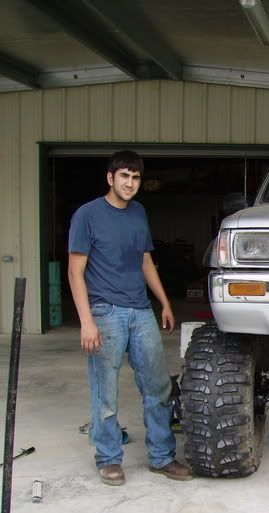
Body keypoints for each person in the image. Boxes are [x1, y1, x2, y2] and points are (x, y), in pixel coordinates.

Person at [67, 150, 193, 486]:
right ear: (110, 178)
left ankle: (162, 456)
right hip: (105, 311)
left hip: (140, 310)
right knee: (104, 390)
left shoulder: (138, 213)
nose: (130, 183)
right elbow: (75, 272)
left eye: (135, 178)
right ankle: (108, 459)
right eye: (124, 176)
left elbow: (145, 261)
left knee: (158, 386)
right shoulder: (87, 215)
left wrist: (165, 303)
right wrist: (86, 321)